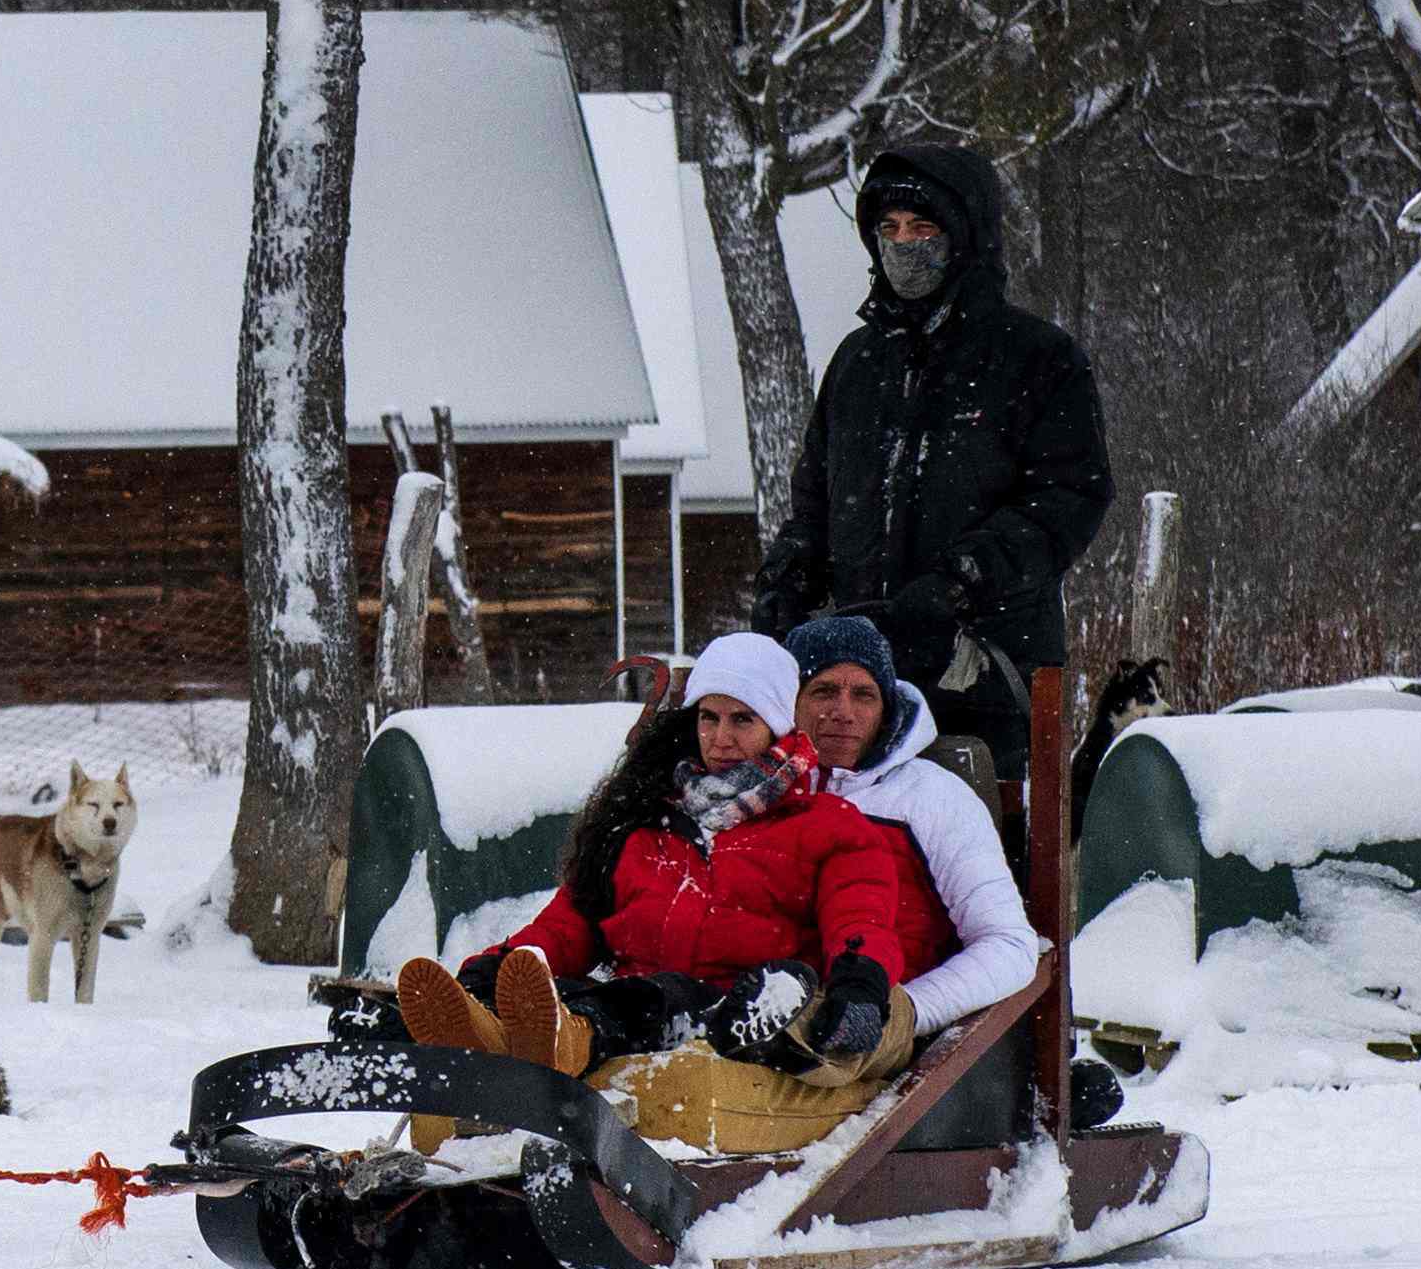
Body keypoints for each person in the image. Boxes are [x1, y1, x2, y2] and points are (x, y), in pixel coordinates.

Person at [756, 139, 1110, 814]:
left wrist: (961, 580)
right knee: (849, 849)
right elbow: (815, 504)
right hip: (859, 675)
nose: (903, 245)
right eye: (888, 229)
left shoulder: (1037, 358)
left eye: (922, 229)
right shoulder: (858, 363)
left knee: (976, 851)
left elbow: (1069, 499)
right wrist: (788, 583)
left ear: (964, 237)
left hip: (985, 668)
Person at [397, 631, 915, 1083]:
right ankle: (488, 1029)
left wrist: (861, 988)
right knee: (599, 994)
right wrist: (504, 965)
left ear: (778, 728)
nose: (721, 739)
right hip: (629, 998)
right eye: (708, 718)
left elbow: (862, 917)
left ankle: (564, 1040)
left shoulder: (828, 825)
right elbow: (572, 923)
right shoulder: (648, 820)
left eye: (742, 720)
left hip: (739, 1011)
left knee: (649, 1000)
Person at [780, 612, 1044, 1047]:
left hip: (881, 1037)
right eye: (823, 690)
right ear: (789, 701)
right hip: (764, 1018)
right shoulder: (753, 790)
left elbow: (1008, 945)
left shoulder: (932, 795)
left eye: (864, 695)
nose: (843, 712)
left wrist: (904, 1015)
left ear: (887, 708)